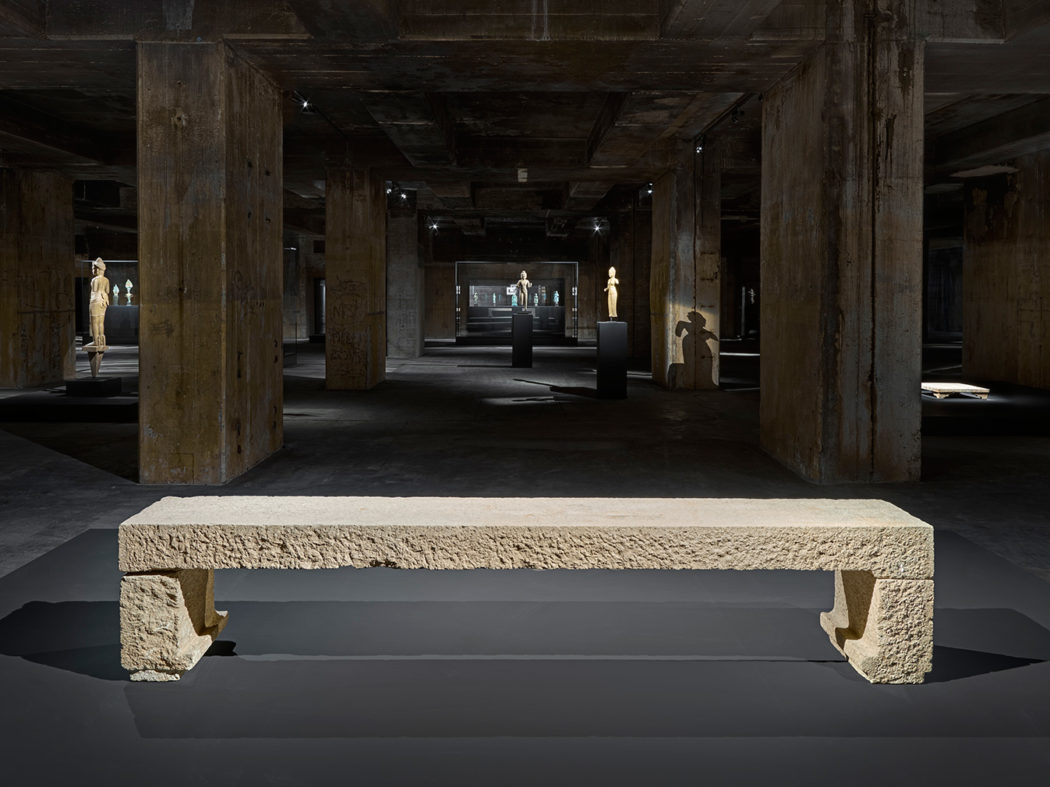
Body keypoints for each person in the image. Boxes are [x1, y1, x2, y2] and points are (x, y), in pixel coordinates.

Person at [88, 258, 110, 349]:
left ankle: (95, 341)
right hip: (104, 301)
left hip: (96, 300)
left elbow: (94, 290)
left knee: (94, 322)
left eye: (94, 268)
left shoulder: (95, 280)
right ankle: (102, 340)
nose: (93, 270)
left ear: (98, 269)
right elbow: (107, 291)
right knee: (101, 322)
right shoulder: (106, 280)